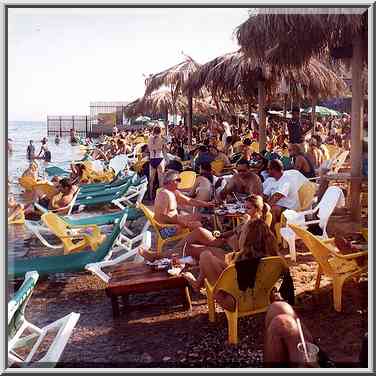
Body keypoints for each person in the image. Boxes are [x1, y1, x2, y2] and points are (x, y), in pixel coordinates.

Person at [183, 195, 278, 312]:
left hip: (236, 303)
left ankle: (195, 282)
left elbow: (233, 277)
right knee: (208, 255)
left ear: (247, 240)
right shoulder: (274, 260)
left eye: (242, 235)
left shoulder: (243, 258)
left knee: (205, 256)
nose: (239, 236)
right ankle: (197, 283)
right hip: (262, 299)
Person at [263, 159, 308, 229]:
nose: (266, 171)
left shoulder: (286, 180)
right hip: (279, 207)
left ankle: (270, 234)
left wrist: (262, 208)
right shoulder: (272, 180)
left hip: (290, 209)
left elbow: (276, 197)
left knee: (272, 209)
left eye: (268, 169)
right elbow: (264, 195)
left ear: (273, 170)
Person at [148, 126, 166, 199]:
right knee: (160, 180)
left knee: (151, 180)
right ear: (160, 131)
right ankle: (160, 197)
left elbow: (149, 148)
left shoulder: (150, 138)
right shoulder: (161, 139)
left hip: (152, 159)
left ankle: (150, 196)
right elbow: (165, 149)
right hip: (159, 158)